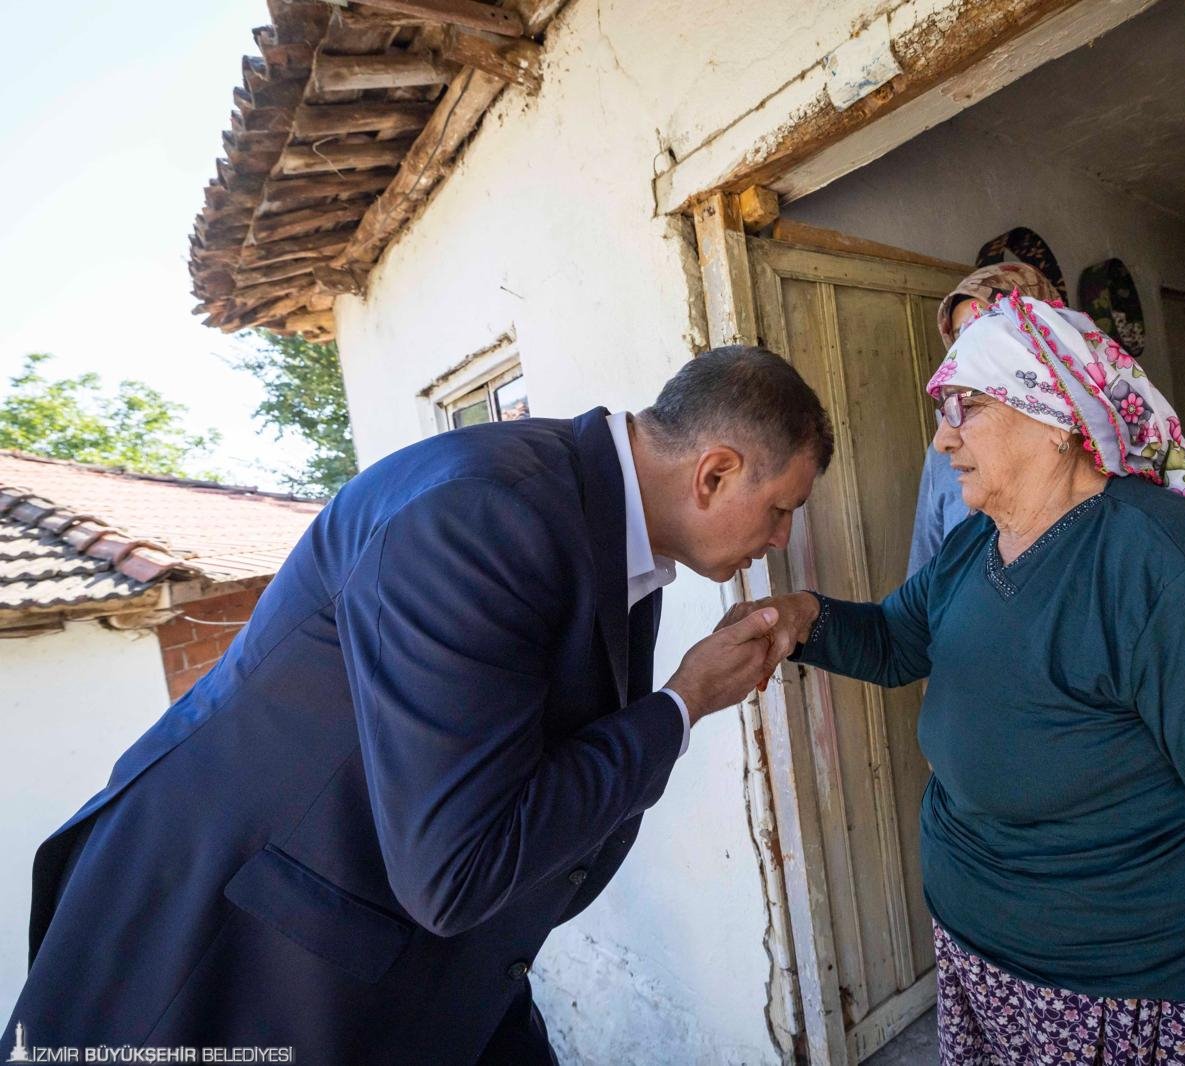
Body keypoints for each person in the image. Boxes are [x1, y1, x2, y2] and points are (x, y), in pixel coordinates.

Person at [5, 347, 831, 1065]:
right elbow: (457, 869)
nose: (782, 539)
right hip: (239, 962)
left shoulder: (606, 526)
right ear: (714, 472)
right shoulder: (485, 516)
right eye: (782, 508)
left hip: (431, 959)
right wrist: (684, 703)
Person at [724, 295, 1185, 1065]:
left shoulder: (1161, 568)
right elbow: (900, 639)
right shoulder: (977, 548)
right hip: (979, 973)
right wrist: (803, 618)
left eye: (964, 406)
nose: (941, 437)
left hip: (1113, 1009)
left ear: (1056, 416)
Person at [907, 262, 1063, 576]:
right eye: (959, 341)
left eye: (986, 332)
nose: (969, 354)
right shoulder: (945, 455)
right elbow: (923, 581)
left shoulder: (1098, 453)